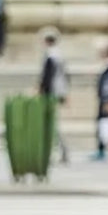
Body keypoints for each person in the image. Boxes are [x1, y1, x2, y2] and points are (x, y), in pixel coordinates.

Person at [37, 27, 71, 164]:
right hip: (60, 91)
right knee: (52, 123)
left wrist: (41, 91)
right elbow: (66, 76)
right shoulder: (60, 55)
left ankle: (58, 151)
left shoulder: (50, 56)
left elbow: (47, 77)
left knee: (50, 123)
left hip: (51, 93)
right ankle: (61, 151)